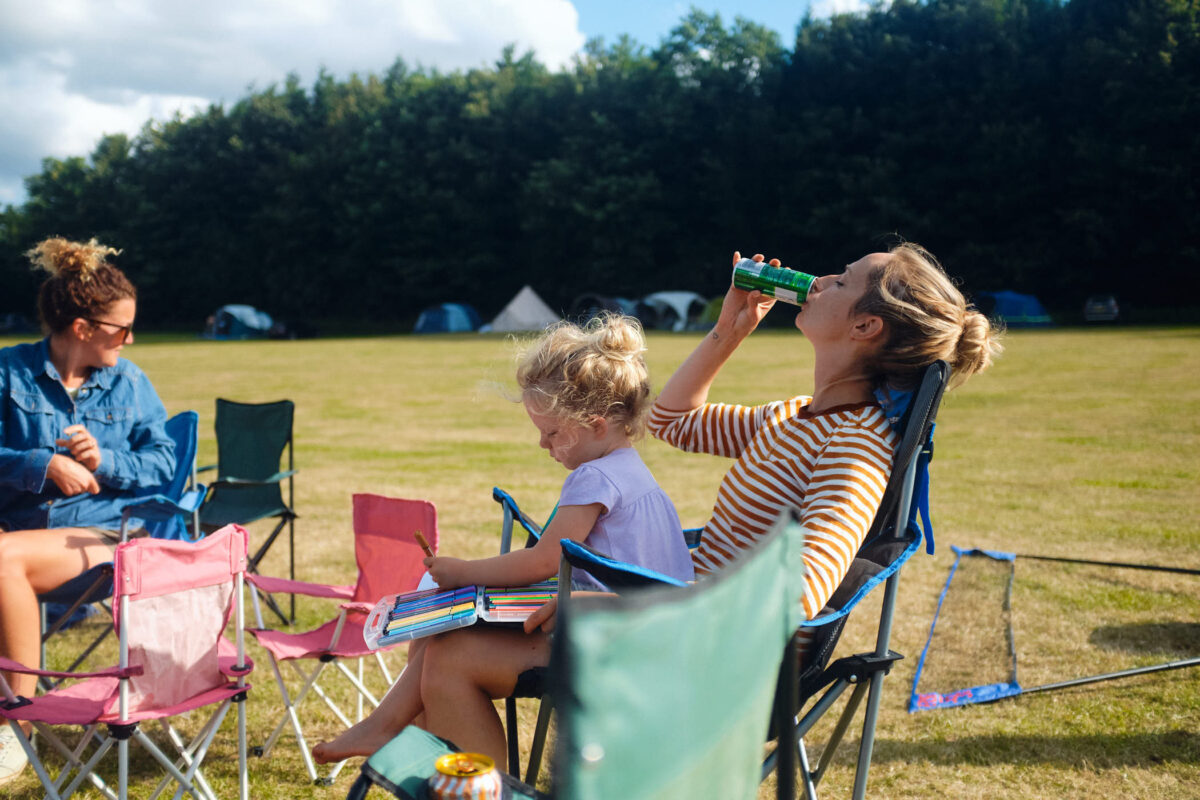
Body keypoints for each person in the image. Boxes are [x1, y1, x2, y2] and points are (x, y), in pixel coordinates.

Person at [312, 313, 693, 769]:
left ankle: (451, 769)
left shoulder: (595, 477)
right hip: (639, 630)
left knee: (447, 658)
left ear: (596, 425)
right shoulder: (630, 469)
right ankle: (394, 729)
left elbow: (543, 561)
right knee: (437, 637)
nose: (542, 445)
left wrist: (462, 572)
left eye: (551, 433)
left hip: (620, 644)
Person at [0, 237, 175, 787]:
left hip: (100, 539)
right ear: (82, 328)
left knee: (1, 560)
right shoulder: (9, 372)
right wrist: (39, 465)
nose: (129, 339)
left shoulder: (131, 381)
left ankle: (17, 727)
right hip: (16, 527)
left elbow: (165, 461)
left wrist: (108, 460)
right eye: (122, 329)